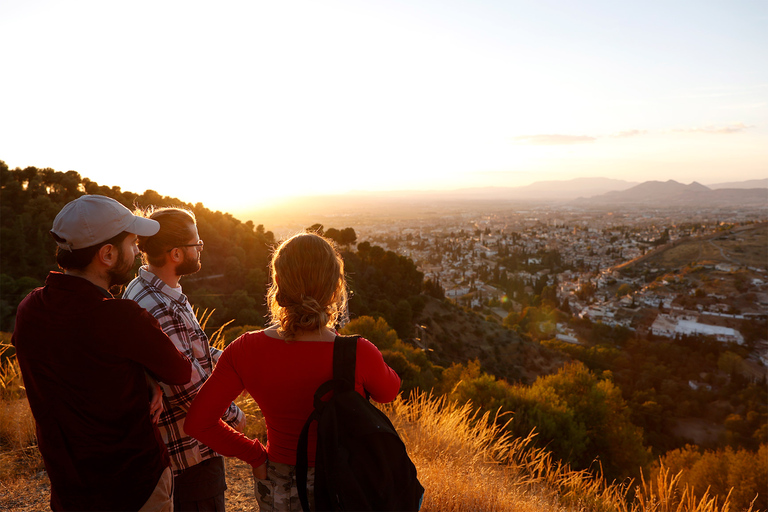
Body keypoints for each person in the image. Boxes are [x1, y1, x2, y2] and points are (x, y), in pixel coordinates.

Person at [185, 232, 401, 512]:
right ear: (335, 287)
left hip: (279, 482)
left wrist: (256, 457)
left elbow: (198, 423)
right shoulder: (357, 352)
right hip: (347, 480)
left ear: (277, 284)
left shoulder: (246, 349)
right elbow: (389, 391)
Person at [12, 194, 193, 511]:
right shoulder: (121, 318)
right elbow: (180, 371)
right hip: (135, 487)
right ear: (107, 254)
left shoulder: (30, 309)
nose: (137, 251)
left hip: (70, 489)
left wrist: (141, 374)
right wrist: (148, 375)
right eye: (133, 243)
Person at [124, 207, 245, 511]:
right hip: (190, 457)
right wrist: (234, 417)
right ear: (176, 254)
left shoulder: (145, 289)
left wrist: (239, 362)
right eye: (196, 243)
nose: (201, 248)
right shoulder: (161, 308)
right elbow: (188, 389)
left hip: (180, 452)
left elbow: (195, 354)